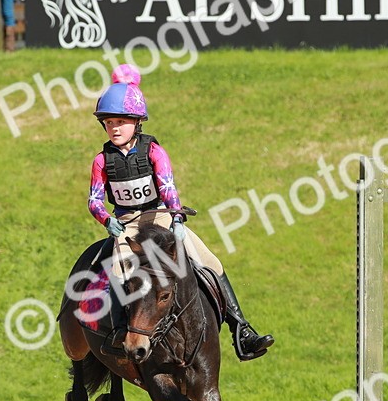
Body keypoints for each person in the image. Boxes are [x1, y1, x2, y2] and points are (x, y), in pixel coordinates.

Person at [87, 65, 274, 361]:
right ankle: (121, 331)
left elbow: (168, 187)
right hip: (125, 226)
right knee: (119, 272)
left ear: (137, 122)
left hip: (159, 217)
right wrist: (107, 220)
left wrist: (175, 217)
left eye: (121, 121)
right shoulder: (101, 160)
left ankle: (242, 330)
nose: (115, 128)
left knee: (209, 261)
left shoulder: (154, 152)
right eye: (109, 122)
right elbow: (94, 200)